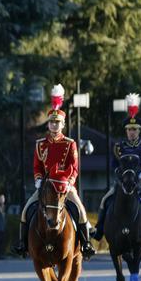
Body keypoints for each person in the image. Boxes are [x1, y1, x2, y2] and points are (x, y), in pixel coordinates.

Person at [14, 84, 95, 258]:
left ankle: (86, 244)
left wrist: (69, 182)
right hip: (45, 187)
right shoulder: (40, 144)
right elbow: (37, 166)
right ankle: (22, 244)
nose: (54, 125)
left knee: (80, 211)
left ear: (63, 124)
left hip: (65, 186)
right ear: (48, 124)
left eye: (57, 122)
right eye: (51, 122)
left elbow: (74, 167)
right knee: (25, 211)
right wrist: (38, 179)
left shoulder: (70, 143)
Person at [93, 93, 141, 239]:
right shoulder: (119, 147)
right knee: (105, 200)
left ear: (139, 130)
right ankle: (99, 230)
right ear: (126, 131)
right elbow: (114, 164)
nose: (132, 132)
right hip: (123, 182)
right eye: (129, 129)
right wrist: (120, 174)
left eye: (134, 129)